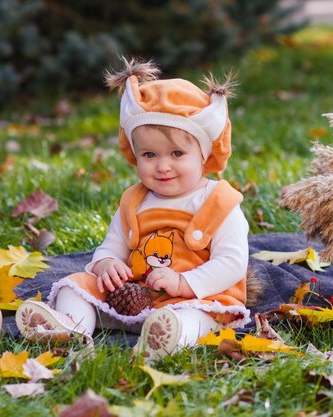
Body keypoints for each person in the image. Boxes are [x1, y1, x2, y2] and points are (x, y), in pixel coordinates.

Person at [16, 58, 250, 359]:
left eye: (177, 153)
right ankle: (70, 329)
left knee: (196, 319)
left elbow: (232, 262)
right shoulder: (134, 200)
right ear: (135, 155)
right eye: (149, 154)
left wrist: (184, 283)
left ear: (204, 156)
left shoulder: (220, 202)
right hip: (133, 297)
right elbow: (111, 245)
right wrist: (107, 264)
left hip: (198, 297)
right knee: (73, 287)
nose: (163, 166)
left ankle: (167, 338)